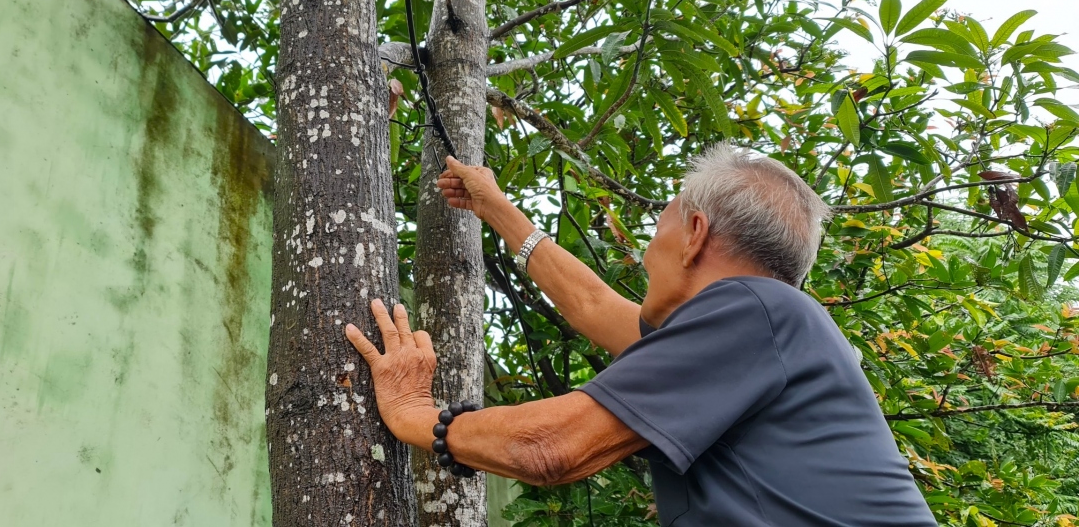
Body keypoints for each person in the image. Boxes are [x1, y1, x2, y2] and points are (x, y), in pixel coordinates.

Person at [344, 143, 937, 526]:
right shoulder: (762, 330)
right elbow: (593, 302)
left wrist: (413, 415)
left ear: (695, 234)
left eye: (658, 228)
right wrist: (495, 208)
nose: (645, 256)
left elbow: (549, 447)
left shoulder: (758, 312)